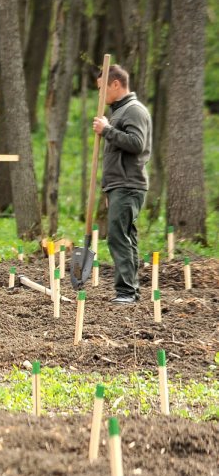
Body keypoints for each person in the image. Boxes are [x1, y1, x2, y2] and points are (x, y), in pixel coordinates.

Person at [92, 64, 152, 304]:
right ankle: (131, 291)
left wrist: (107, 130)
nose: (100, 95)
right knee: (125, 236)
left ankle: (126, 292)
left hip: (129, 184)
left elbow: (137, 143)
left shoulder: (134, 110)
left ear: (115, 84)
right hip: (119, 185)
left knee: (118, 237)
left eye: (101, 89)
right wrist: (109, 187)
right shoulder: (119, 112)